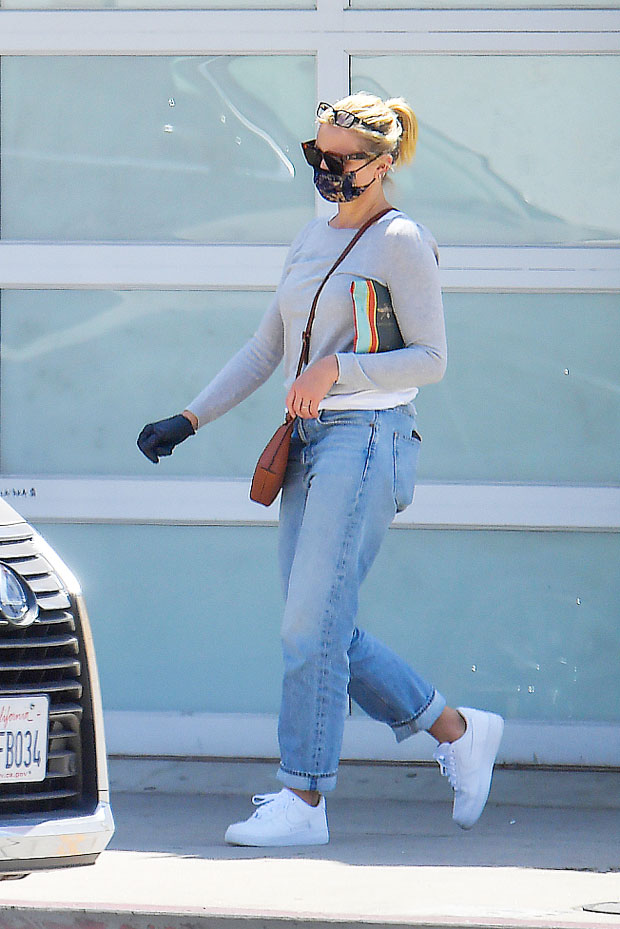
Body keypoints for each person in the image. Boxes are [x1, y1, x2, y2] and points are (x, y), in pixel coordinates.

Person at [137, 92, 504, 847]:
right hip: (307, 443)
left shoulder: (402, 240)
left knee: (311, 628)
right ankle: (456, 730)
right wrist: (191, 417)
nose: (326, 168)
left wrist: (339, 368)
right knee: (317, 626)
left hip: (367, 440)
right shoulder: (310, 238)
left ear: (382, 162)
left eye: (340, 158)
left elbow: (432, 359)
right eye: (317, 154)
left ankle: (304, 798)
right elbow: (266, 347)